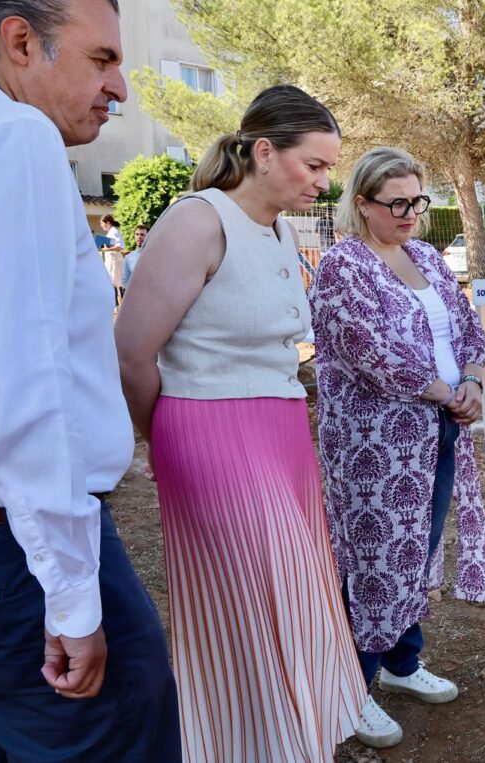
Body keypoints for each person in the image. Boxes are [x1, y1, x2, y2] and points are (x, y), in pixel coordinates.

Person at [0, 1, 180, 760]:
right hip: (1, 543)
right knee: (112, 734)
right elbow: (21, 378)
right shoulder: (9, 137)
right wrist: (71, 593)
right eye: (102, 59)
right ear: (19, 41)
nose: (121, 88)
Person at [115, 84, 364, 762]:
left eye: (328, 167)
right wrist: (159, 439)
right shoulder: (197, 220)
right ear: (262, 152)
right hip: (208, 432)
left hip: (280, 432)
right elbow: (133, 354)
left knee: (295, 600)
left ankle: (282, 742)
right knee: (259, 609)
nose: (324, 180)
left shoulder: (279, 227)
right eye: (313, 164)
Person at [309, 147, 485, 749]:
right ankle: (351, 688)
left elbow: (468, 326)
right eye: (397, 203)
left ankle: (401, 664)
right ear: (361, 204)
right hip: (376, 444)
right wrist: (445, 391)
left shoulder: (426, 258)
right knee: (370, 560)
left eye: (418, 200)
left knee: (418, 550)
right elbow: (370, 351)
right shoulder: (343, 266)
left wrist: (471, 381)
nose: (411, 212)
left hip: (439, 427)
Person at [99, 213, 125, 302]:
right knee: (113, 284)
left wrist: (107, 249)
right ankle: (116, 306)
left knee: (116, 285)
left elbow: (120, 246)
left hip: (115, 262)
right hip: (111, 262)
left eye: (102, 223)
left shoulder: (114, 231)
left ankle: (118, 307)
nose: (101, 226)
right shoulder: (111, 232)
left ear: (108, 222)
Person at [120, 223, 148, 289]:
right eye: (137, 234)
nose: (139, 237)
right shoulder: (129, 257)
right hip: (135, 294)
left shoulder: (154, 255)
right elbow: (125, 280)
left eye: (142, 235)